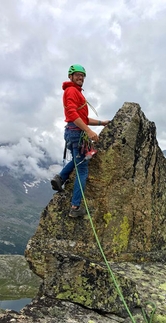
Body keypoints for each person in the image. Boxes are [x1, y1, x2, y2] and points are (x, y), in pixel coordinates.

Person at [51, 64, 109, 218]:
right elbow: (72, 113)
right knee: (82, 170)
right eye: (77, 75)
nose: (80, 77)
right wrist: (89, 131)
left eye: (82, 75)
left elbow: (81, 118)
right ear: (70, 76)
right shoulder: (71, 91)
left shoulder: (76, 92)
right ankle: (75, 207)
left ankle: (60, 178)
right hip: (77, 134)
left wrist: (101, 123)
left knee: (79, 159)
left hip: (73, 133)